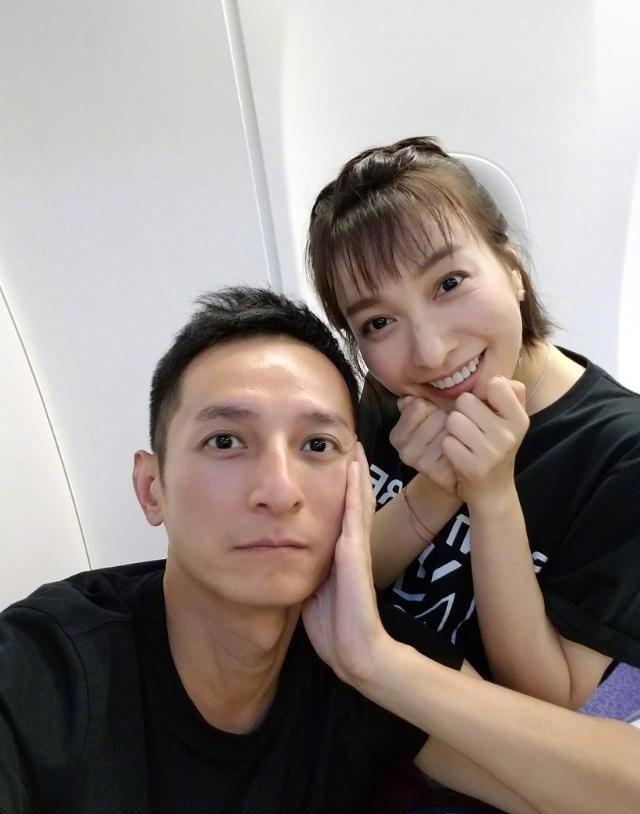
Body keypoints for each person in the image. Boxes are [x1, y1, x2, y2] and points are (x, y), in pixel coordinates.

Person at [1, 286, 639, 814]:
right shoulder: (49, 670)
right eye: (226, 442)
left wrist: (374, 662)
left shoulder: (356, 649)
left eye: (317, 446)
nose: (279, 492)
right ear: (151, 488)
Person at [306, 135, 640, 710]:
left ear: (512, 270)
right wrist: (435, 490)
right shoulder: (387, 398)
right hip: (347, 711)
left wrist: (491, 496)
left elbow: (552, 704)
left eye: (449, 284)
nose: (431, 352)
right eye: (379, 322)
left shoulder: (621, 453)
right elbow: (329, 580)